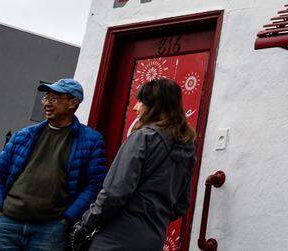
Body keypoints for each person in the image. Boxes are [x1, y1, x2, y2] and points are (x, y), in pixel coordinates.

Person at [0, 79, 107, 250]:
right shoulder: (24, 135)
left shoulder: (91, 140)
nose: (47, 103)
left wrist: (67, 219)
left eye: (54, 99)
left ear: (73, 102)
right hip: (7, 222)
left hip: (50, 229)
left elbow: (94, 185)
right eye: (46, 98)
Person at [71, 78, 196, 251]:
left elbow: (115, 192)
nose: (136, 107)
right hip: (154, 237)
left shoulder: (143, 138)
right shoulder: (187, 148)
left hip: (117, 236)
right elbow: (182, 204)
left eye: (141, 101)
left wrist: (86, 223)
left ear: (154, 107)